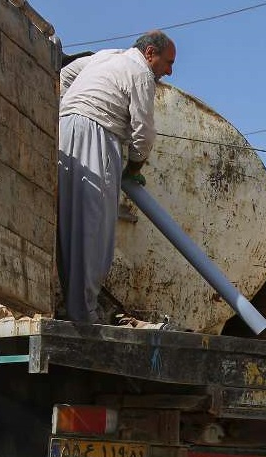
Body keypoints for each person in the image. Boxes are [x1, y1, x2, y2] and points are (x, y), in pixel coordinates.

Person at [57, 31, 176, 323]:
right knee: (94, 228)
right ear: (150, 53)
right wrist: (133, 169)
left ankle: (73, 306)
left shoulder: (105, 56)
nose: (169, 71)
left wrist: (71, 104)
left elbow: (65, 74)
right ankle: (84, 311)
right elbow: (144, 134)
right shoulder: (140, 73)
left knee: (68, 222)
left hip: (64, 130)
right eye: (168, 62)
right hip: (97, 134)